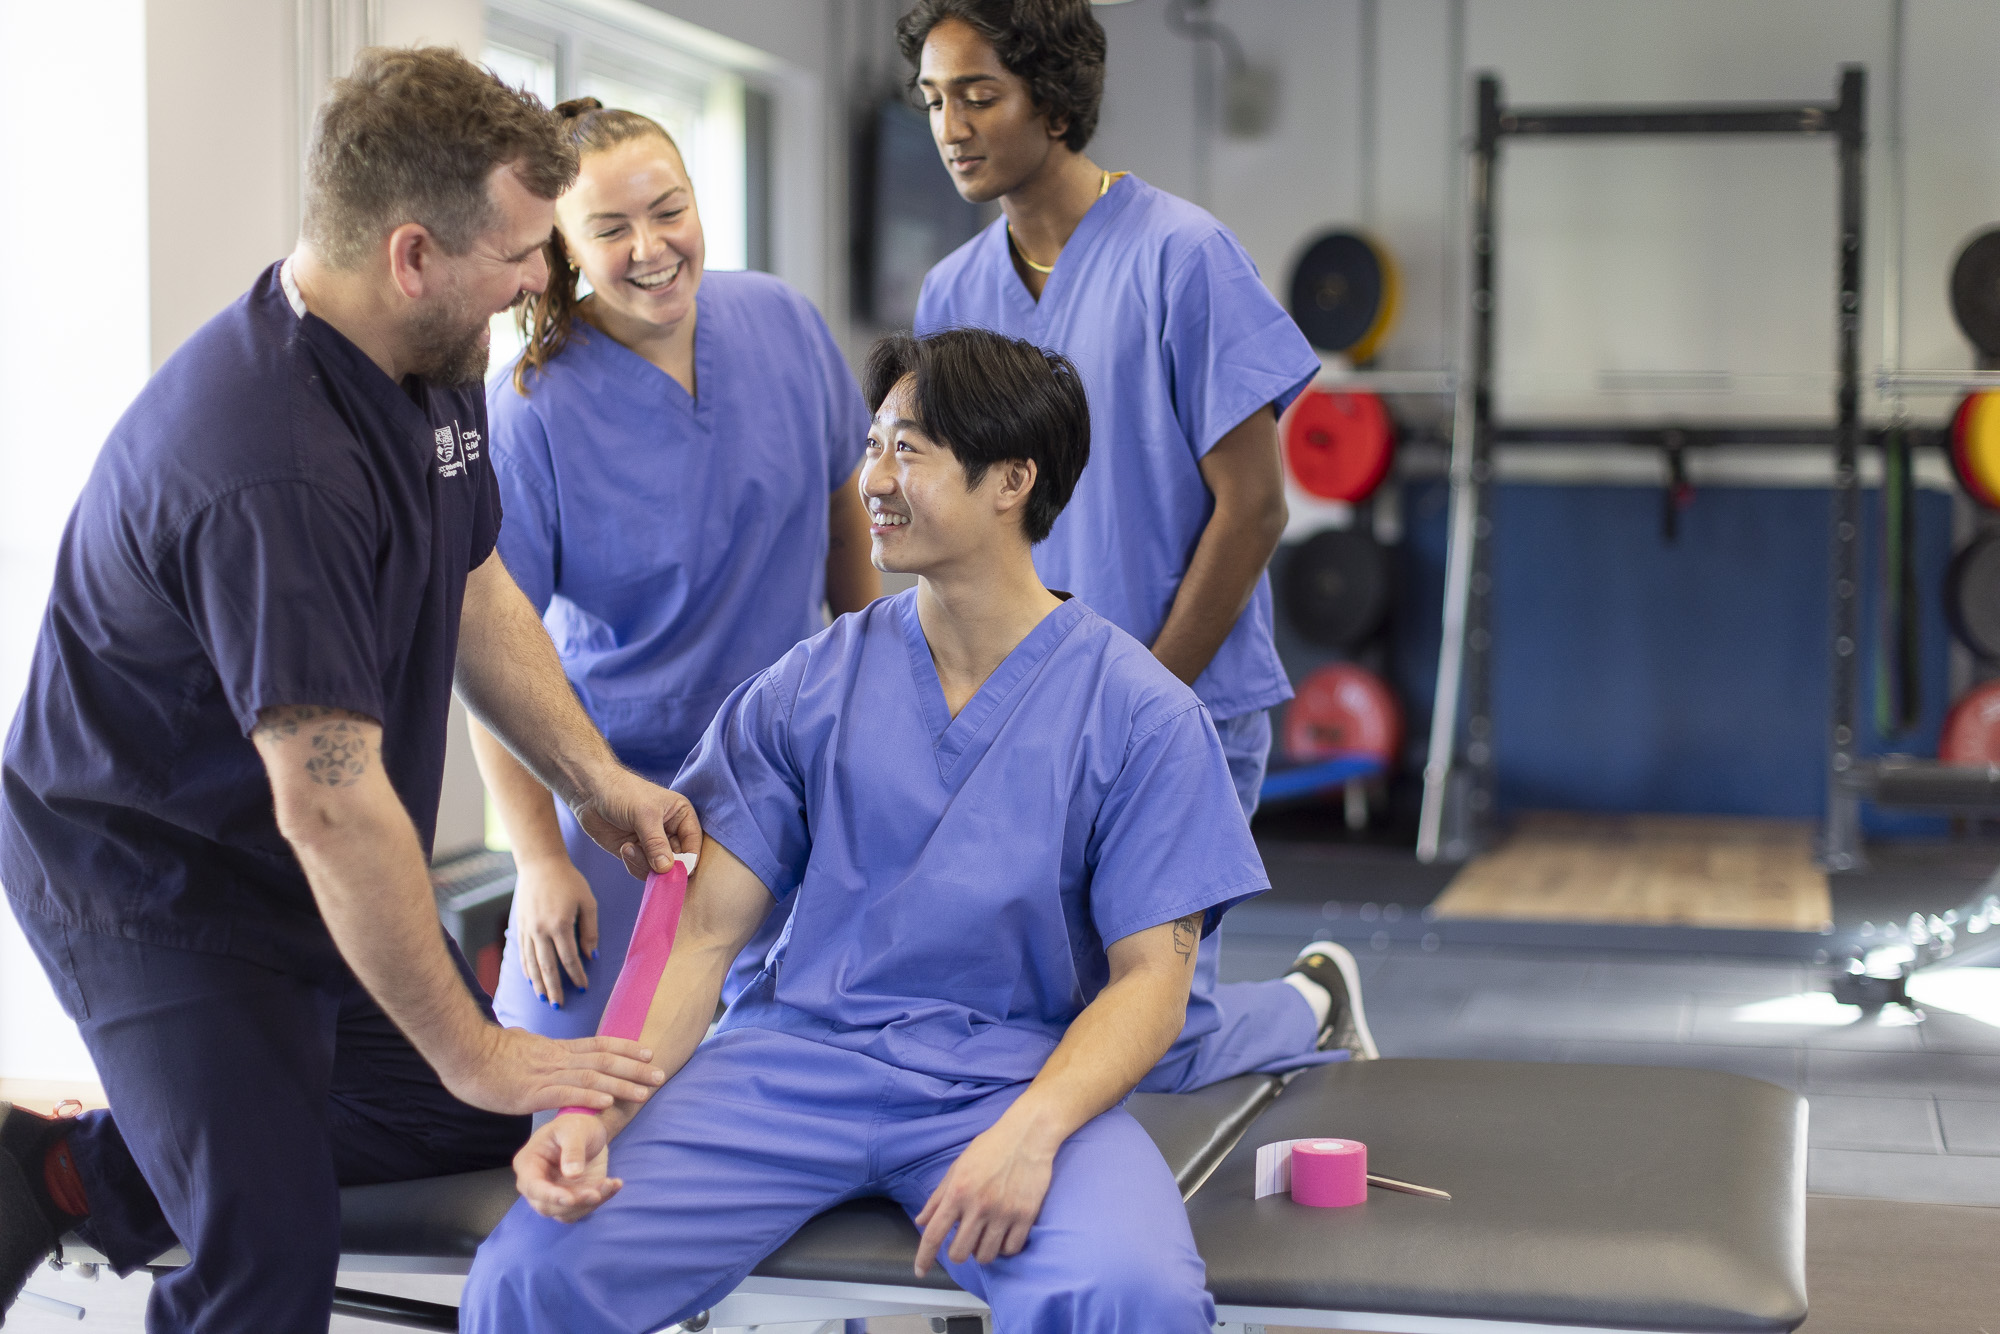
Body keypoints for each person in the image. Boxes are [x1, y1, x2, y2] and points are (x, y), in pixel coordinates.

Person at [0, 49, 689, 1332]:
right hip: (153, 874)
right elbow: (327, 805)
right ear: (412, 253)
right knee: (268, 1257)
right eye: (519, 251)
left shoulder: (436, 350)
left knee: (452, 1111)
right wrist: (480, 1044)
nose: (543, 278)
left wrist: (591, 778)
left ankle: (67, 1169)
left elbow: (471, 573)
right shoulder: (273, 466)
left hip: (299, 843)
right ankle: (198, 1162)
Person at [462, 328, 1247, 1334]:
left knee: (1127, 1294)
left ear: (1012, 479)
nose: (870, 476)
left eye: (907, 449)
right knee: (534, 1272)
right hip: (792, 1065)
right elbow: (700, 939)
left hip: (1011, 1076)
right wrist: (592, 1114)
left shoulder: (1139, 714)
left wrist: (1034, 1130)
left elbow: (1151, 982)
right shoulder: (807, 687)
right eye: (872, 444)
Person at [902, 0, 1373, 1091]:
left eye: (978, 93)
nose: (950, 125)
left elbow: (1252, 508)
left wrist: (1141, 701)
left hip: (1181, 704)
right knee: (1044, 1025)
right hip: (1022, 718)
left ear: (1052, 97)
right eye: (932, 98)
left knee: (1138, 1040)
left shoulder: (1182, 255)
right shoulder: (952, 295)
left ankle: (1311, 1002)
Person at [473, 99, 878, 1037]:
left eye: (670, 210)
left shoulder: (781, 321)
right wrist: (539, 863)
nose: (651, 248)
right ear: (564, 247)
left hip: (790, 778)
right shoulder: (530, 413)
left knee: (800, 1069)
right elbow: (491, 653)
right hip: (620, 804)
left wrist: (869, 682)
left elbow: (841, 514)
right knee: (563, 1095)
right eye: (610, 229)